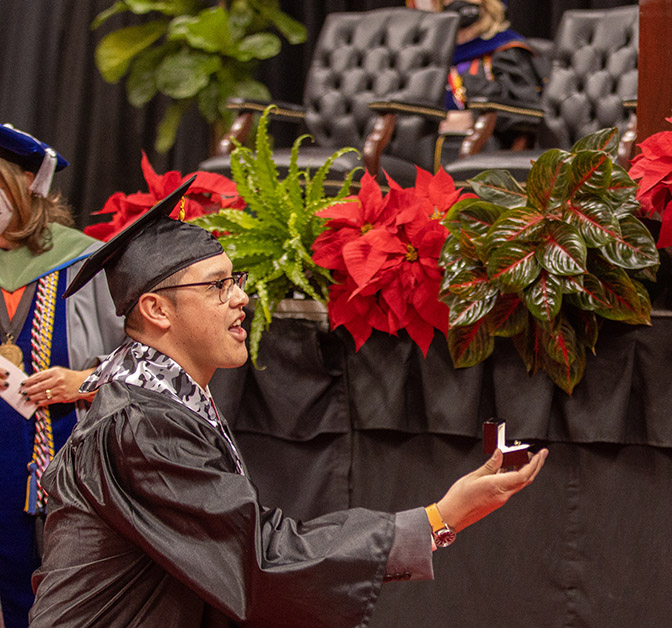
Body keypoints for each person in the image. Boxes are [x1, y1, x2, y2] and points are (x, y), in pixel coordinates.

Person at [28, 178, 548, 627]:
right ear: (156, 309)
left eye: (236, 280)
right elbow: (259, 556)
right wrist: (438, 518)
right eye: (217, 286)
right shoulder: (141, 426)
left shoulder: (157, 399)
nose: (241, 298)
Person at [0, 124, 125, 628]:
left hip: (60, 469)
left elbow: (147, 358)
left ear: (26, 188)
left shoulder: (85, 261)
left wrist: (84, 382)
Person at [442, 0, 543, 146]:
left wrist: (476, 118)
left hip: (484, 146)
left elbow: (527, 112)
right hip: (430, 142)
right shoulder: (432, 52)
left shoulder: (506, 49)